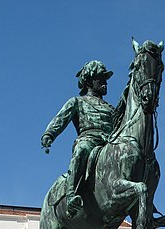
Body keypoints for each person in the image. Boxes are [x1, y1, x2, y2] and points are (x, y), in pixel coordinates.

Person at [41, 60, 114, 219]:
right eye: (100, 78)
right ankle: (71, 194)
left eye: (105, 78)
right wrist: (49, 134)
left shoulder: (111, 108)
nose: (105, 82)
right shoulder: (77, 102)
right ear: (89, 81)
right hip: (88, 138)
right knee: (81, 150)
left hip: (109, 142)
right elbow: (61, 119)